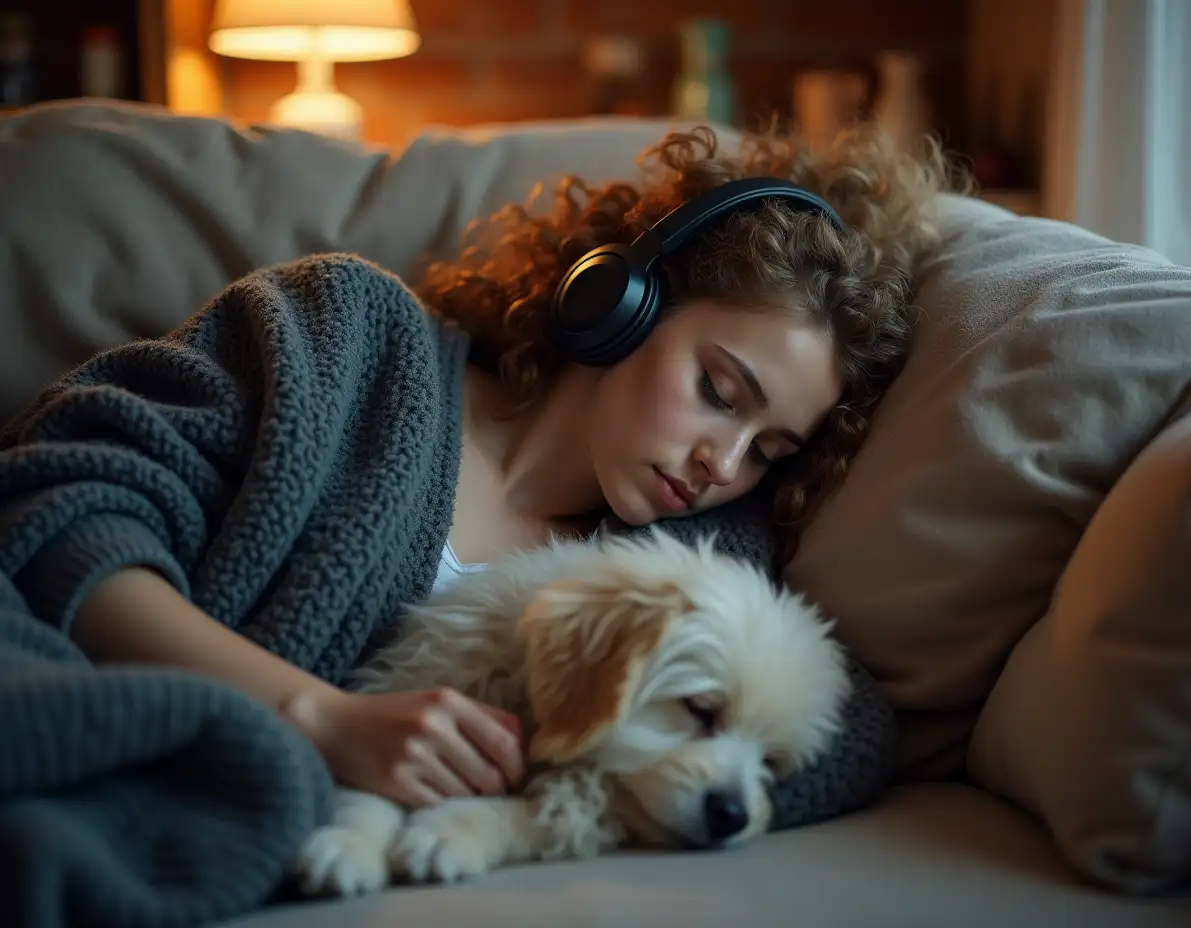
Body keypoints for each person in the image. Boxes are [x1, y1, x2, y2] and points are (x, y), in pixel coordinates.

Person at [0, 120, 955, 817]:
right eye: (718, 389)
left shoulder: (691, 566)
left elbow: (851, 737)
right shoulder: (349, 340)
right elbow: (64, 507)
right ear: (619, 300)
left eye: (772, 451)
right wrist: (320, 721)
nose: (724, 462)